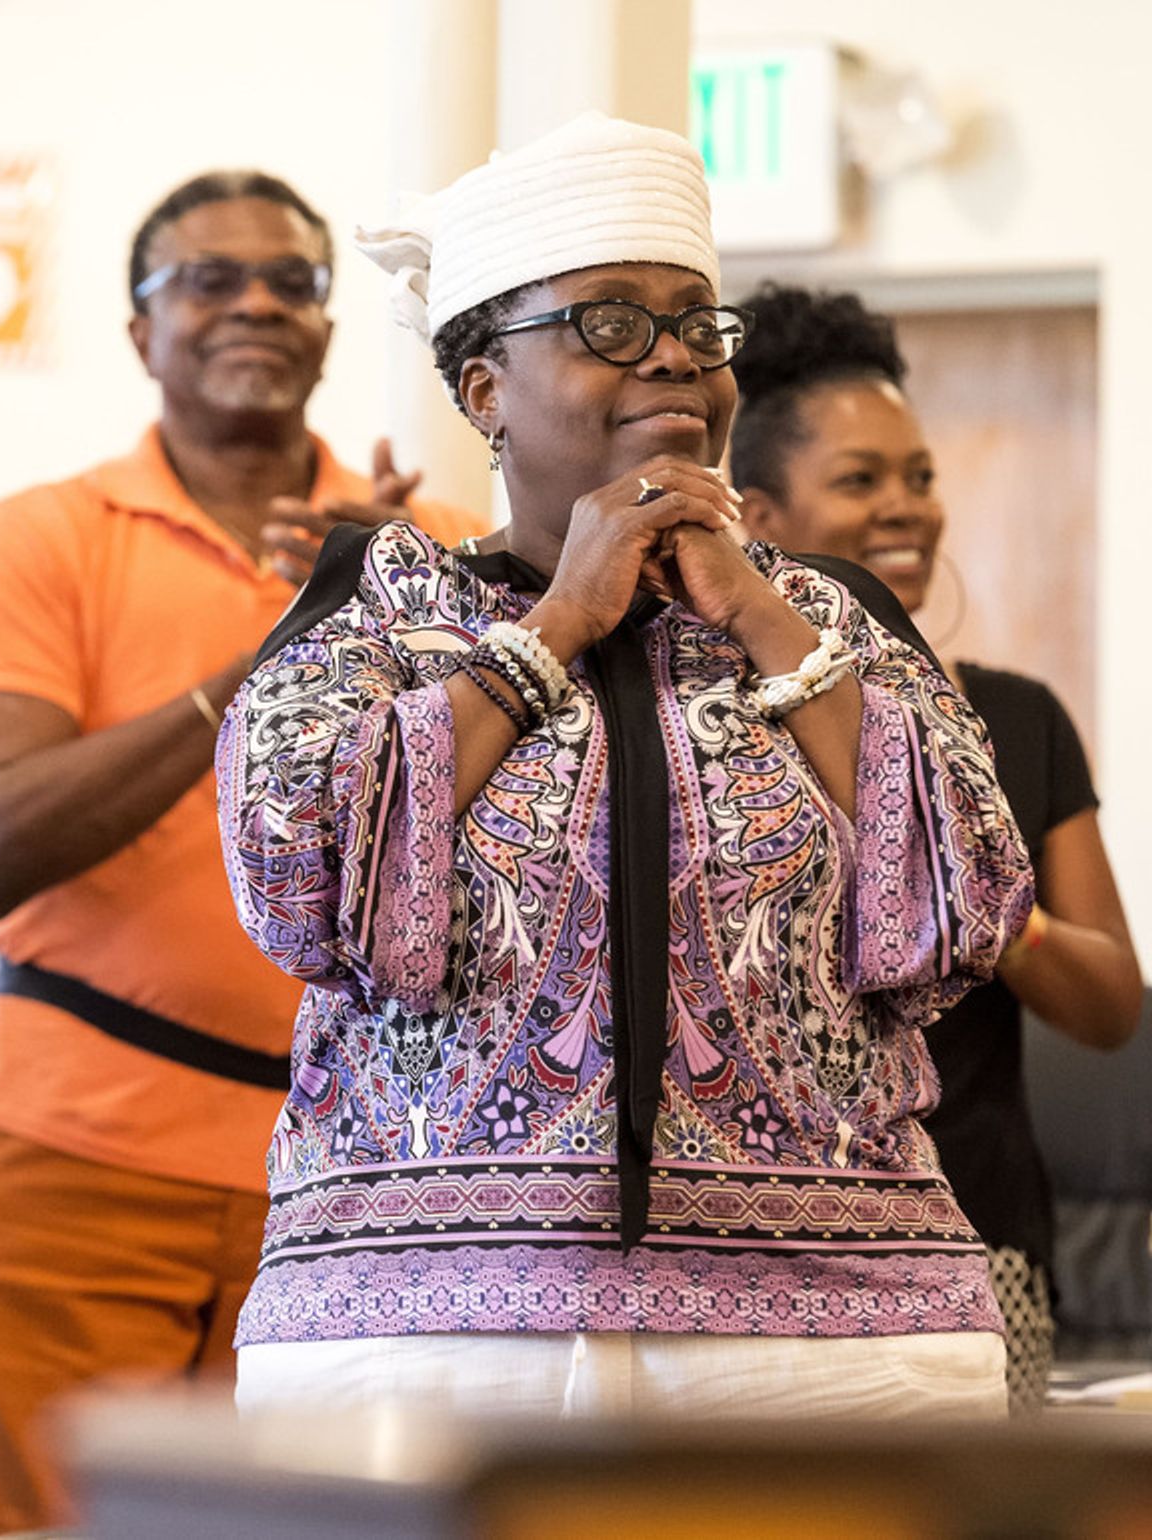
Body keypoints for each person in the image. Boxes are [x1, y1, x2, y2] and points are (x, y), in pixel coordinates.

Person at [218, 113, 1034, 1424]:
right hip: (426, 1336)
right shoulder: (380, 610)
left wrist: (766, 621)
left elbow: (973, 896)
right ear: (485, 386)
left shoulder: (824, 617)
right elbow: (300, 879)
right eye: (608, 321)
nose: (670, 355)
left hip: (843, 1341)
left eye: (694, 325)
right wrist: (550, 635)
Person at [0, 168, 487, 1539]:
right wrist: (264, 666)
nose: (255, 302)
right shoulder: (44, 538)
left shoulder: (426, 556)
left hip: (355, 1184)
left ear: (325, 325)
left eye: (292, 281)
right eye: (208, 279)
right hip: (75, 1157)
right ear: (140, 329)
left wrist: (397, 596)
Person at [729, 281, 1143, 1411]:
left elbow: (1111, 1004)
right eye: (860, 480)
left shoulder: (1012, 721)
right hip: (752, 1251)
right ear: (758, 515)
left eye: (919, 476)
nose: (905, 507)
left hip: (975, 1247)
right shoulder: (708, 742)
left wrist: (973, 882)